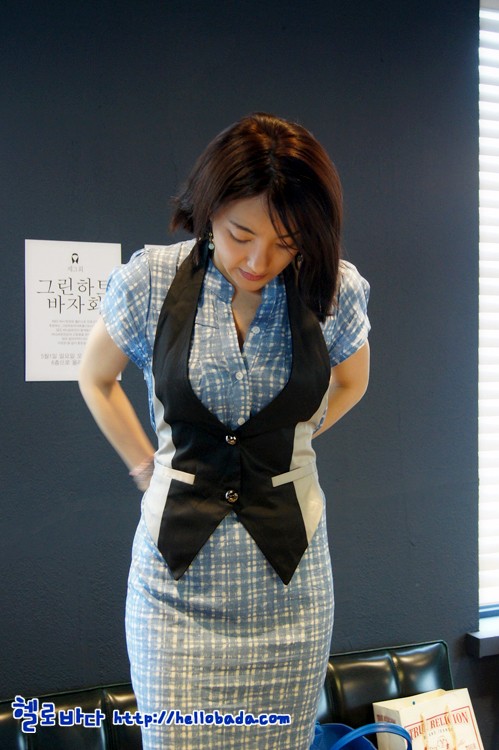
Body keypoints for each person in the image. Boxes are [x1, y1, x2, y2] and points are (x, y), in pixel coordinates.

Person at [79, 112, 370, 750]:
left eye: (287, 242)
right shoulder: (151, 280)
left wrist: (295, 438)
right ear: (209, 209)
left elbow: (352, 381)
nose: (260, 260)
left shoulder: (332, 288)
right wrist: (146, 468)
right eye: (241, 235)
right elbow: (95, 377)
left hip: (292, 597)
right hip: (174, 597)